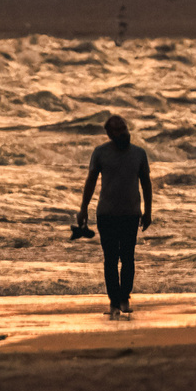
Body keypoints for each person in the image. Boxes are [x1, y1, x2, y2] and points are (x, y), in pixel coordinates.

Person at [76, 114, 153, 320]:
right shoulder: (100, 153)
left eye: (124, 128)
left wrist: (148, 211)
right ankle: (113, 301)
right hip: (106, 214)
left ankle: (124, 297)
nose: (123, 133)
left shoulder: (139, 153)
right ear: (109, 134)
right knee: (110, 259)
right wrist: (83, 208)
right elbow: (90, 182)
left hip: (131, 214)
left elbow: (146, 183)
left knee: (127, 257)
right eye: (117, 130)